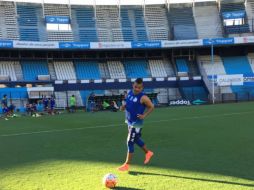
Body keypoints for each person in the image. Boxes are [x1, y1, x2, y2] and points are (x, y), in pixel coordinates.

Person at [118, 78, 154, 172]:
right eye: (135, 87)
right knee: (136, 139)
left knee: (130, 141)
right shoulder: (129, 93)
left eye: (139, 88)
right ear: (133, 85)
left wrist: (144, 115)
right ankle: (148, 153)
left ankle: (127, 164)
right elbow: (128, 104)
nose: (137, 89)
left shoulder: (143, 97)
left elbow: (151, 107)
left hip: (136, 123)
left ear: (142, 88)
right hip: (129, 121)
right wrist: (123, 107)